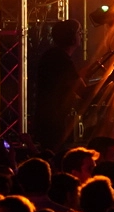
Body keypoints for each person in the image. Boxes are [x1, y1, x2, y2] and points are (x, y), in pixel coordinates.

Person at [30, 18, 82, 151]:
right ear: (71, 37)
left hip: (48, 119)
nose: (81, 35)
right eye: (78, 32)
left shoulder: (53, 55)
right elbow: (82, 91)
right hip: (53, 122)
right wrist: (110, 80)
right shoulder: (61, 59)